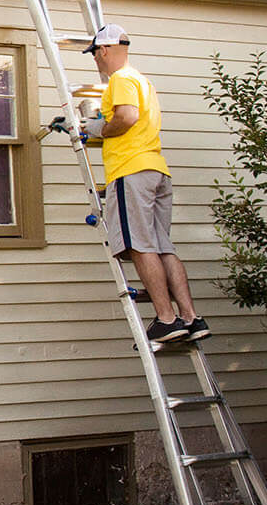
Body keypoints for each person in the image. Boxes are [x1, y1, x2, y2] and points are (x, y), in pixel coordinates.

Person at [84, 24, 209, 346]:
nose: (96, 61)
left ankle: (167, 319)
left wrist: (99, 129)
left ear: (105, 50)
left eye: (96, 54)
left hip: (131, 171)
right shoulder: (142, 80)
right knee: (163, 246)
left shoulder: (121, 79)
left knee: (140, 246)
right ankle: (191, 318)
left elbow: (125, 118)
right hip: (155, 169)